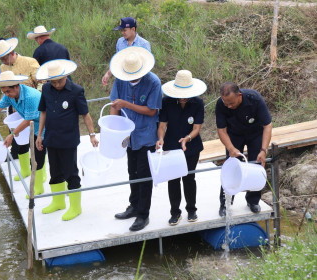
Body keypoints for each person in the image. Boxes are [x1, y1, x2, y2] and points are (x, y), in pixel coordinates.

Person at [35, 59, 99, 221]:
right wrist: (40, 135)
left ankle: (75, 207)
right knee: (54, 170)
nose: (57, 84)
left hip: (68, 138)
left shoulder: (76, 91)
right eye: (53, 81)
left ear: (66, 76)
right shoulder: (46, 90)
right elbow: (43, 112)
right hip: (51, 137)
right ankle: (58, 202)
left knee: (70, 171)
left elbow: (85, 114)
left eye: (60, 81)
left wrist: (92, 134)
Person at [110, 46, 162, 231]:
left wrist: (127, 105)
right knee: (132, 171)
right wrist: (113, 129)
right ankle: (133, 206)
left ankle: (143, 214)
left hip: (145, 134)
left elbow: (152, 110)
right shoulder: (120, 80)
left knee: (144, 175)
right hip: (127, 134)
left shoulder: (153, 82)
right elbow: (114, 105)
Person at [0, 71, 46, 196]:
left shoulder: (30, 96)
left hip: (44, 126)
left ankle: (38, 187)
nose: (6, 95)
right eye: (4, 92)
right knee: (36, 154)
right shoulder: (10, 96)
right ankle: (39, 181)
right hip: (33, 126)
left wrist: (12, 135)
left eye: (8, 92)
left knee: (37, 157)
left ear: (16, 86)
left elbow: (28, 120)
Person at [156, 70, 206, 226]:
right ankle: (175, 213)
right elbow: (162, 125)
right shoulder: (167, 102)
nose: (183, 97)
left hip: (191, 146)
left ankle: (191, 210)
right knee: (173, 179)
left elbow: (197, 128)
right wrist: (161, 139)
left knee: (189, 178)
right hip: (171, 145)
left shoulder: (198, 103)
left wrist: (187, 138)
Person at [215, 82, 272, 216]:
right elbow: (221, 130)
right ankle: (226, 203)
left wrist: (263, 150)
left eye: (231, 103)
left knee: (256, 166)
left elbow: (267, 126)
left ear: (239, 95)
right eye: (226, 103)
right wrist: (230, 148)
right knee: (231, 168)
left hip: (255, 134)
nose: (229, 106)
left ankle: (253, 201)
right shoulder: (221, 104)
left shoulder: (254, 99)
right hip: (234, 135)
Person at [101, 17, 151, 86]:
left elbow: (147, 65)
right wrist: (108, 74)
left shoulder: (143, 44)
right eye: (121, 30)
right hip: (123, 79)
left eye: (125, 30)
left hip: (139, 81)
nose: (122, 33)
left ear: (133, 29)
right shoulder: (120, 42)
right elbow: (117, 61)